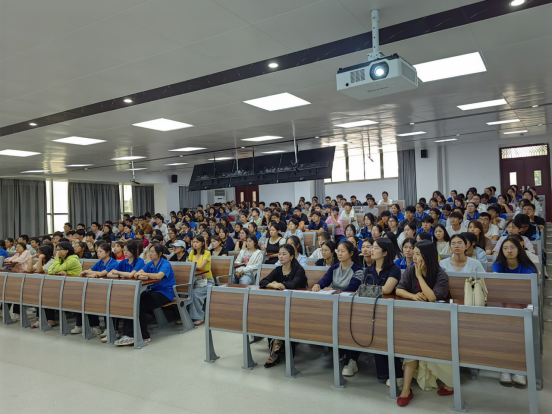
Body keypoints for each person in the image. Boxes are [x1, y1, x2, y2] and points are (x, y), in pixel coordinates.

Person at [395, 240, 452, 405]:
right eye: (414, 253)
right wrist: (413, 296)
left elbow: (432, 297)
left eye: (418, 254)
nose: (414, 257)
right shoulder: (411, 269)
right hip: (416, 321)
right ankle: (406, 389)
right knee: (411, 346)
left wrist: (420, 277)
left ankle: (449, 381)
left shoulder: (441, 275)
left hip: (438, 323)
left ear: (428, 256)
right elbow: (399, 289)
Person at [342, 238, 403, 381]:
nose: (371, 251)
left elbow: (386, 290)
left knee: (378, 333)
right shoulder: (369, 269)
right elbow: (363, 290)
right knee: (353, 326)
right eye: (372, 248)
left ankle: (393, 373)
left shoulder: (394, 269)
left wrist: (366, 291)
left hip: (386, 313)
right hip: (368, 310)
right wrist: (366, 291)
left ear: (385, 252)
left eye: (375, 248)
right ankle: (351, 361)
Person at [491, 235, 537, 385]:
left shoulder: (528, 266)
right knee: (505, 330)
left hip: (523, 305)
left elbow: (527, 291)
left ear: (519, 249)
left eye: (512, 247)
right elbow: (497, 286)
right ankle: (505, 367)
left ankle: (519, 368)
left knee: (515, 326)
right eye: (505, 248)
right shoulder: (498, 265)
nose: (509, 250)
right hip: (503, 304)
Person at [112, 243, 175, 346]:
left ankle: (141, 335)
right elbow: (137, 273)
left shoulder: (165, 263)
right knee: (132, 300)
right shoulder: (150, 264)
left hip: (165, 293)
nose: (150, 254)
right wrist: (140, 276)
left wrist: (145, 274)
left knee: (139, 303)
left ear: (159, 254)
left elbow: (158, 276)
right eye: (149, 251)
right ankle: (131, 334)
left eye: (152, 252)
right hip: (152, 291)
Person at [259, 244, 308, 368]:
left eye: (284, 254)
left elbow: (294, 284)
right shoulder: (278, 269)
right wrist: (273, 285)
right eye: (279, 254)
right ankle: (277, 346)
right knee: (273, 315)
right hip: (281, 306)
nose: (280, 256)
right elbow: (263, 281)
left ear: (291, 256)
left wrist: (279, 283)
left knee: (281, 317)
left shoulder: (299, 270)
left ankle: (276, 349)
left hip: (297, 307)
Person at [72, 242, 118, 335]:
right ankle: (86, 325)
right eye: (97, 251)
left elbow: (102, 273)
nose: (98, 253)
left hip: (109, 290)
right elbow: (89, 270)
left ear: (108, 252)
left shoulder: (113, 262)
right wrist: (88, 273)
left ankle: (104, 328)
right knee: (83, 299)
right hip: (97, 288)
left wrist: (91, 273)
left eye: (100, 251)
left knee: (101, 302)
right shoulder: (100, 262)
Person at [187, 235, 213, 326]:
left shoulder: (207, 253)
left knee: (194, 293)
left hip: (207, 281)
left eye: (197, 242)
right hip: (195, 280)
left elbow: (201, 266)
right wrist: (197, 268)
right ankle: (185, 316)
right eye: (193, 242)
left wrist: (192, 264)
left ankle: (198, 317)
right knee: (185, 291)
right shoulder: (191, 252)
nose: (195, 244)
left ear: (202, 243)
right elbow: (187, 264)